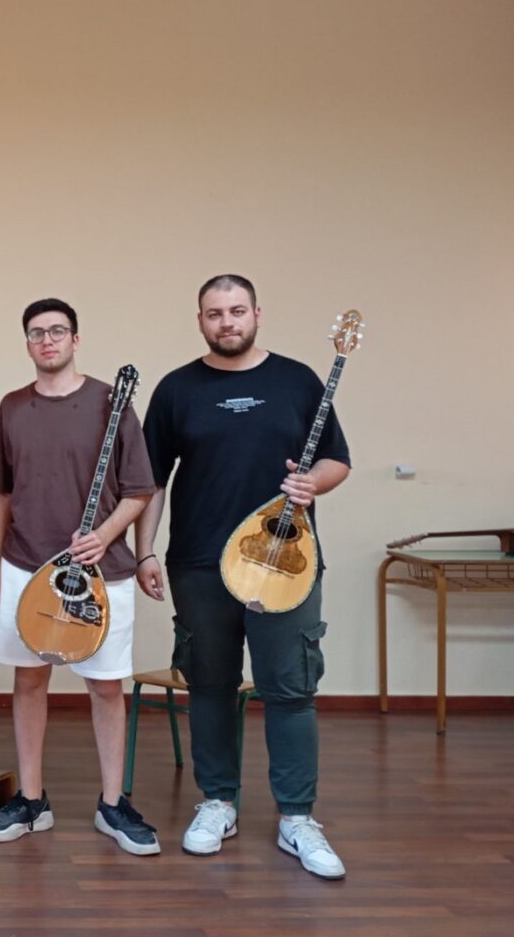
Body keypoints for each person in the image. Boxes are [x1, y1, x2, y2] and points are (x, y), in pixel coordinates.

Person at [136, 274, 350, 879]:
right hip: (200, 561)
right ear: (200, 320)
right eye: (214, 313)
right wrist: (145, 551)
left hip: (287, 561)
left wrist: (313, 483)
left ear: (257, 313)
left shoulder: (298, 380)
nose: (226, 322)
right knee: (210, 684)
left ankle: (297, 818)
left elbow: (336, 458)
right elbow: (151, 481)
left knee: (290, 687)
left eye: (236, 311)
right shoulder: (177, 389)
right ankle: (217, 803)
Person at [0, 299, 162, 854]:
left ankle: (112, 804)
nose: (48, 340)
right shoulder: (12, 407)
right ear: (27, 343)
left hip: (101, 571)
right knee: (29, 681)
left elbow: (140, 490)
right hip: (24, 565)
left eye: (58, 331)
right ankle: (32, 800)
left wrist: (104, 536)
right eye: (37, 333)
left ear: (75, 339)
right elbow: (2, 492)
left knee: (105, 687)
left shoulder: (112, 402)